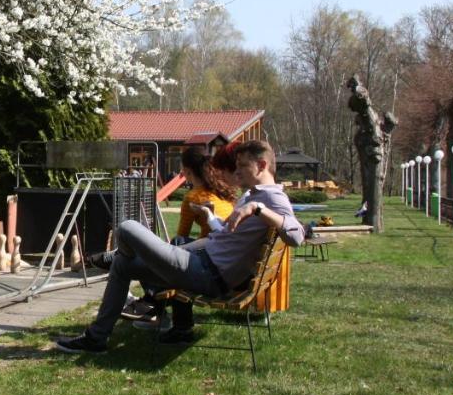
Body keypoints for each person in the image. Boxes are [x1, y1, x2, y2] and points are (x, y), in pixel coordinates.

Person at [58, 140, 303, 354]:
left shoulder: (271, 199)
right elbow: (226, 237)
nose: (236, 171)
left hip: (206, 273)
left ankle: (147, 289)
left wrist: (258, 209)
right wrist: (210, 216)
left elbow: (297, 235)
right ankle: (96, 338)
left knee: (127, 228)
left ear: (261, 166)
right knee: (123, 264)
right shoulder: (253, 194)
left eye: (242, 166)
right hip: (201, 262)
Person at [122, 145, 239, 320]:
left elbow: (181, 237)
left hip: (213, 261)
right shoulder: (222, 191)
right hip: (228, 257)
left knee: (171, 247)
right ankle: (153, 301)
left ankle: (153, 300)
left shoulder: (193, 198)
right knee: (176, 245)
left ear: (187, 170)